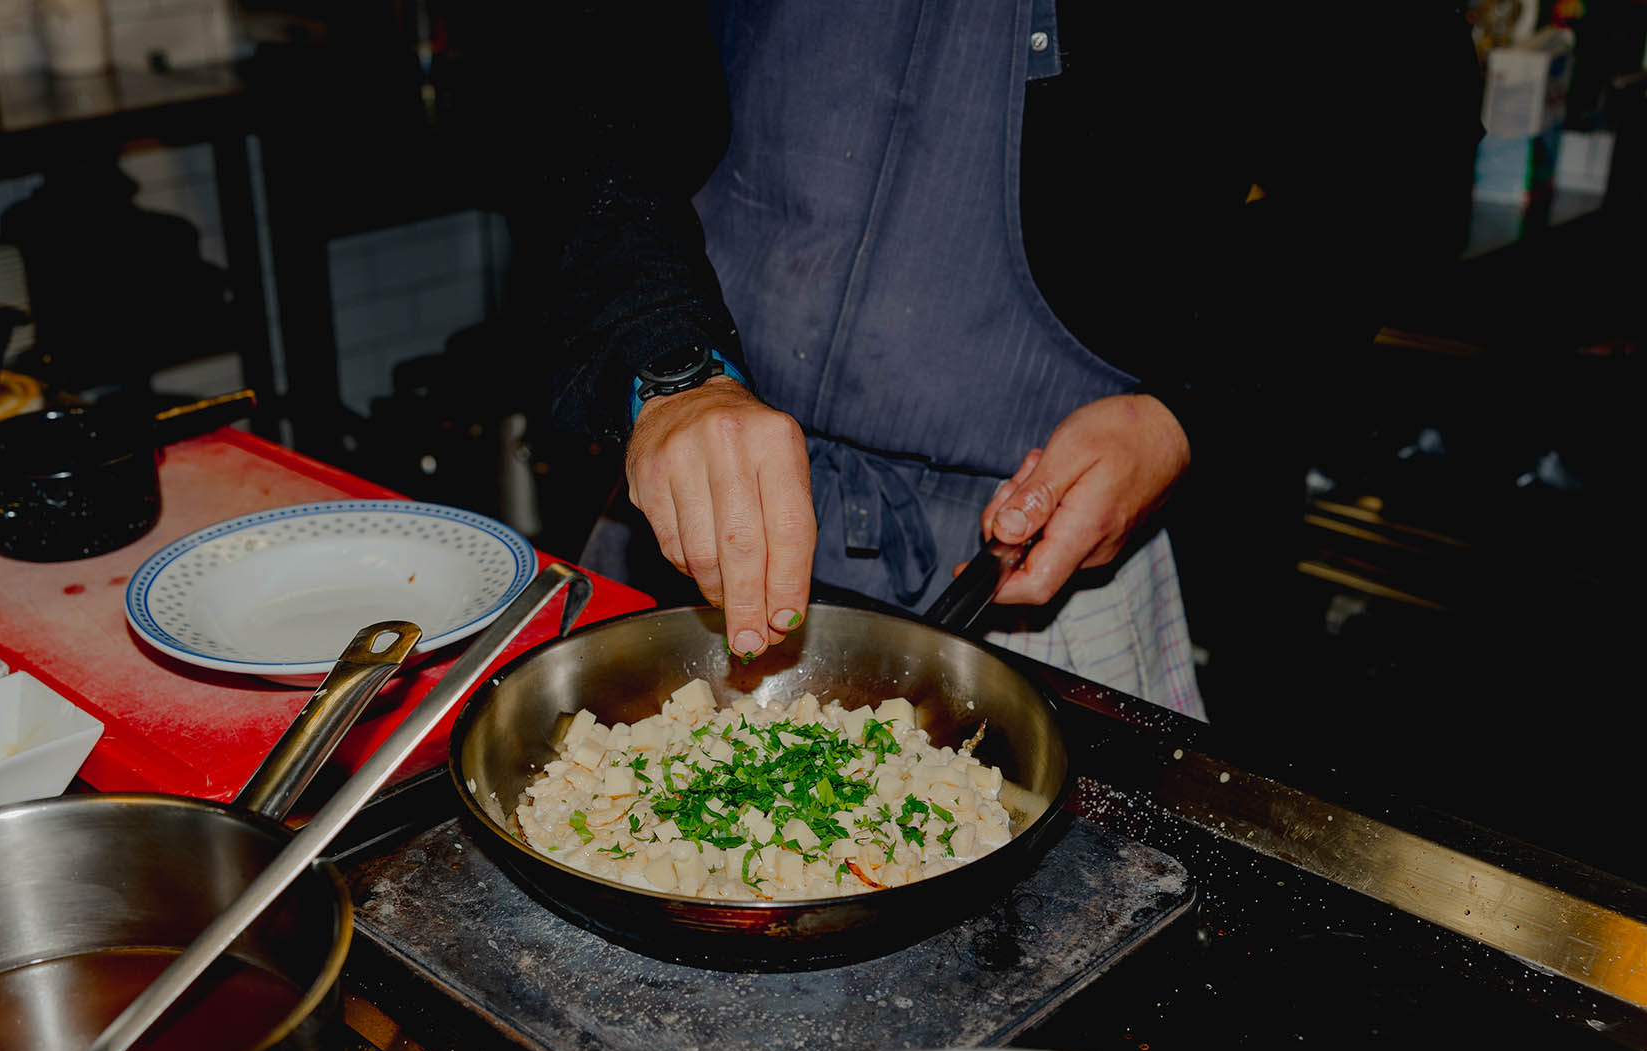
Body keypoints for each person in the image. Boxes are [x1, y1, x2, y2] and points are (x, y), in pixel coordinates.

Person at [483, 0, 1483, 716]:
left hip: (1045, 552)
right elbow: (571, 67)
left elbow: (1404, 158)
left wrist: (1190, 408)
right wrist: (664, 354)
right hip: (691, 491)